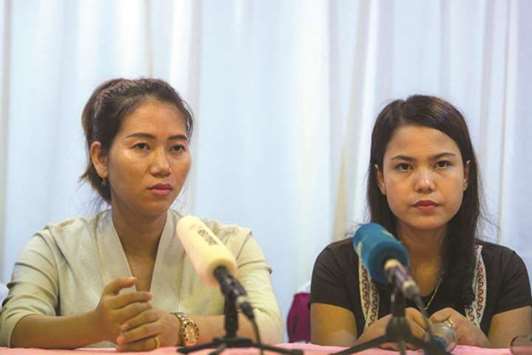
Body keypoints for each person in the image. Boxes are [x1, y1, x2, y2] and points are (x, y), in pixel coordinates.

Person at [0, 78, 283, 350]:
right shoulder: (54, 245)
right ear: (100, 158)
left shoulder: (231, 243)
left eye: (177, 148)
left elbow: (269, 327)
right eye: (142, 146)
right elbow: (11, 327)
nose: (162, 166)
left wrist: (177, 328)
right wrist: (93, 326)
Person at [310, 95, 532, 349]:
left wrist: (479, 345)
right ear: (381, 179)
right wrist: (371, 341)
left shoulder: (504, 270)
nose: (425, 183)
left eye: (442, 164)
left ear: (466, 175)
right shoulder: (337, 265)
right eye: (404, 167)